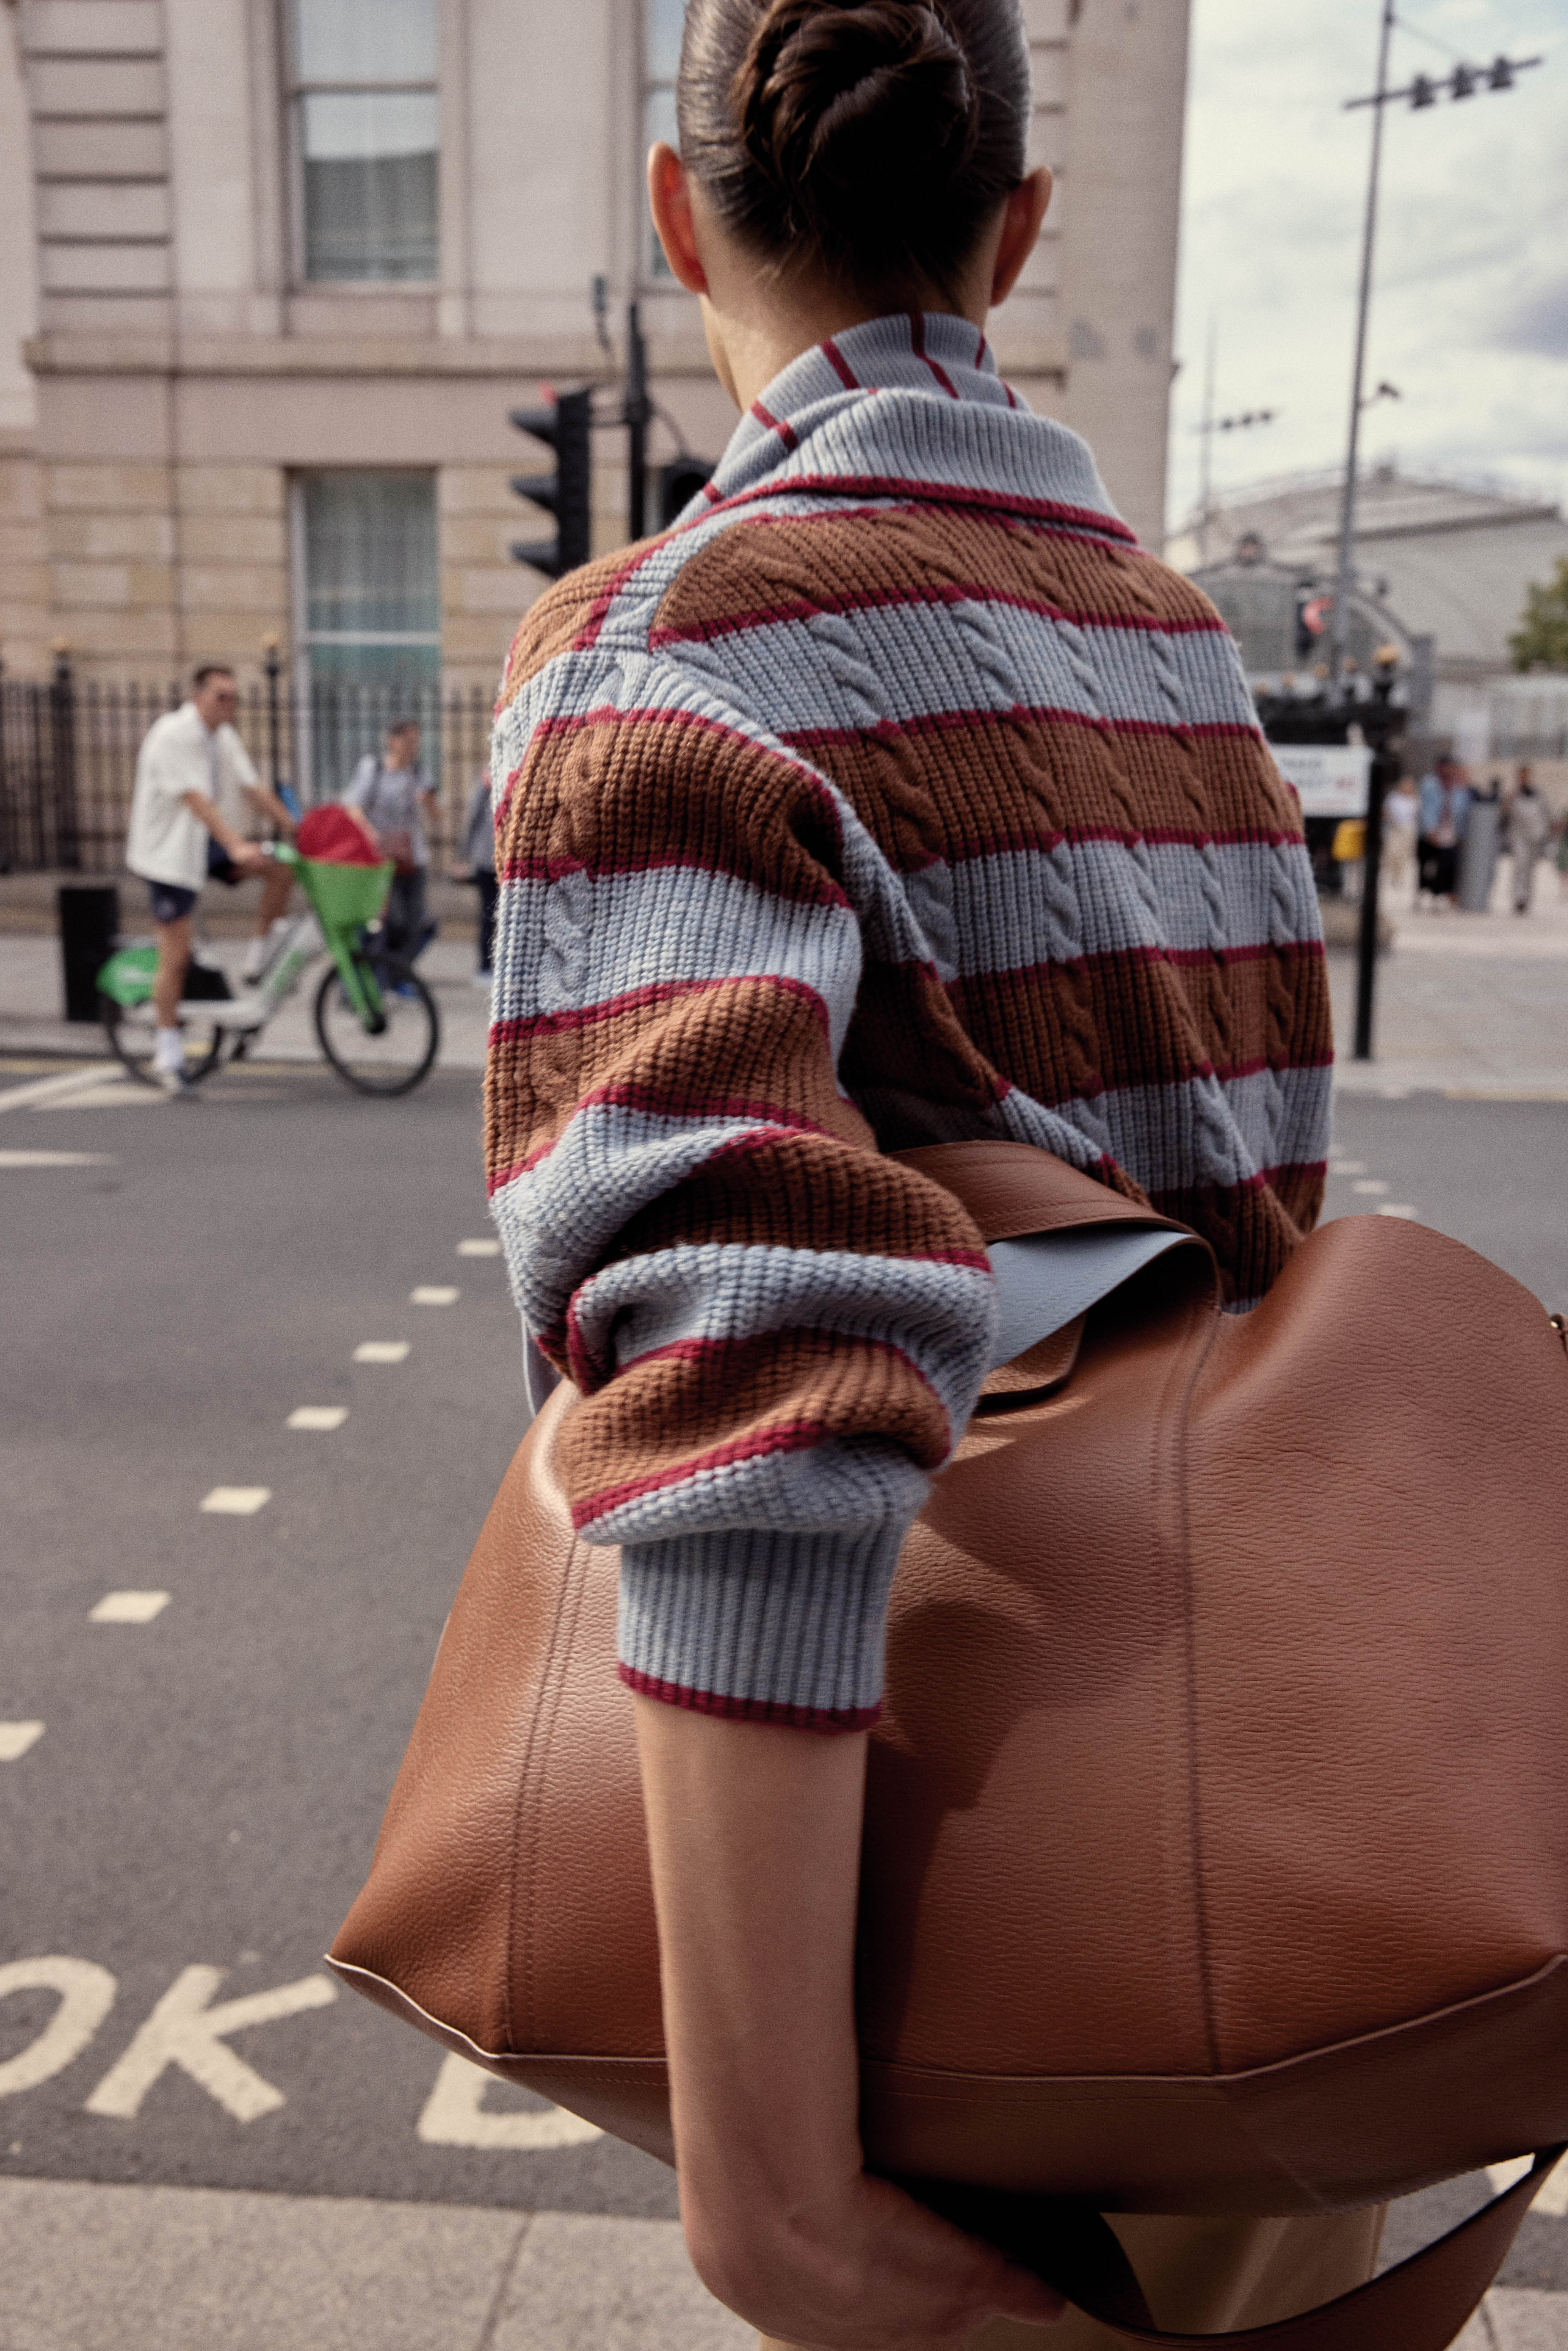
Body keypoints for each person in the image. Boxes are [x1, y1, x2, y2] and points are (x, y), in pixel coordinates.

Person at [484, 4, 1376, 2344]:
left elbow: (737, 1348)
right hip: (1241, 1888)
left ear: (679, 217)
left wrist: (777, 2203)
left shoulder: (663, 653)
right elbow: (1265, 1244)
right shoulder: (1185, 655)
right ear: (1017, 230)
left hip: (944, 1962)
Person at [124, 663, 296, 1092]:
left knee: (282, 867)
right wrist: (236, 847)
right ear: (199, 697)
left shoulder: (222, 736)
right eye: (222, 696)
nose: (230, 705)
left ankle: (257, 957)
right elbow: (196, 800)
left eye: (235, 697)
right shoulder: (172, 735)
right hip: (169, 856)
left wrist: (299, 831)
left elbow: (254, 788)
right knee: (176, 959)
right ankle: (167, 1053)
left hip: (205, 845)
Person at [343, 719, 436, 962]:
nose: (413, 747)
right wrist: (371, 834)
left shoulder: (419, 773)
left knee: (416, 924)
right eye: (408, 741)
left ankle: (400, 978)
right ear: (392, 741)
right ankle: (386, 974)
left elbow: (436, 816)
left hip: (414, 857)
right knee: (392, 920)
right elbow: (352, 807)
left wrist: (429, 800)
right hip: (382, 860)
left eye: (416, 742)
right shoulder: (373, 769)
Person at [451, 770, 497, 987]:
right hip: (487, 861)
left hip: (509, 862)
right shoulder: (485, 783)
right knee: (489, 915)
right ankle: (485, 966)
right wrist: (462, 859)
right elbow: (471, 821)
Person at [1416, 754, 1472, 905]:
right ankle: (1422, 891)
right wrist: (1430, 829)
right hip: (1431, 830)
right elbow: (1427, 807)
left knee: (1446, 864)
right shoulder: (1430, 784)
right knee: (1426, 865)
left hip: (1449, 831)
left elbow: (1462, 809)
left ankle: (1439, 893)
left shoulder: (1459, 787)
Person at [1505, 764, 1552, 915]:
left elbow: (1545, 815)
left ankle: (1526, 899)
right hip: (1519, 836)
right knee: (1520, 865)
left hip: (1536, 836)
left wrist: (1545, 833)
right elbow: (1505, 813)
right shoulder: (1514, 794)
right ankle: (1519, 897)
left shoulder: (1538, 794)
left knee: (1530, 868)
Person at [1381, 772, 1419, 903]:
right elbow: (1385, 812)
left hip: (1408, 829)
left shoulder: (1415, 799)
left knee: (1404, 854)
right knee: (1392, 853)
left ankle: (1400, 875)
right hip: (1395, 829)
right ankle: (1392, 873)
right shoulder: (1394, 798)